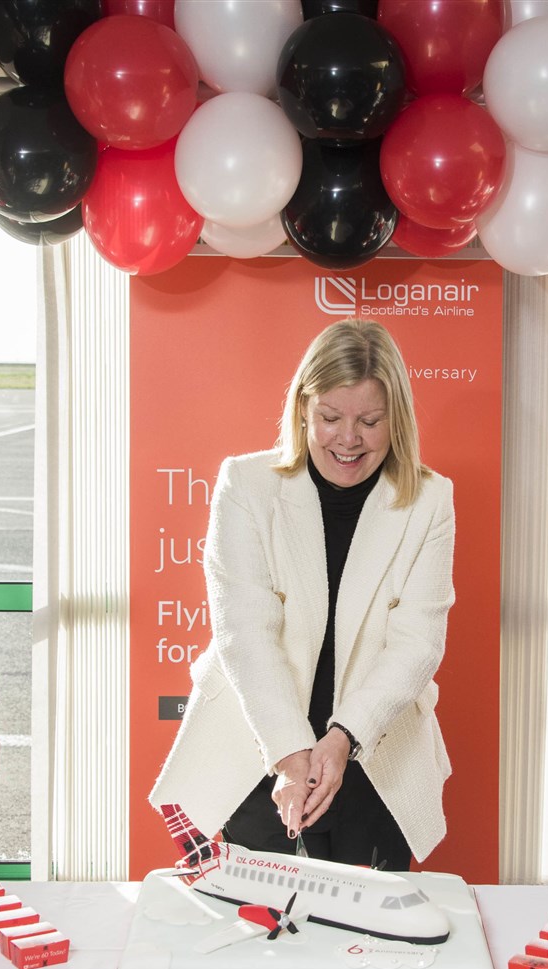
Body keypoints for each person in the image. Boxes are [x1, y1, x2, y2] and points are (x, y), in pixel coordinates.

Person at [150, 319, 455, 871]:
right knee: (263, 938)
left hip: (374, 751)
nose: (347, 439)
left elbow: (418, 644)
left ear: (397, 420)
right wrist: (293, 754)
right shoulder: (246, 485)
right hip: (264, 751)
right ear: (302, 411)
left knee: (369, 934)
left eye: (369, 421)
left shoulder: (430, 500)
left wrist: (341, 740)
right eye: (330, 418)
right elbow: (244, 631)